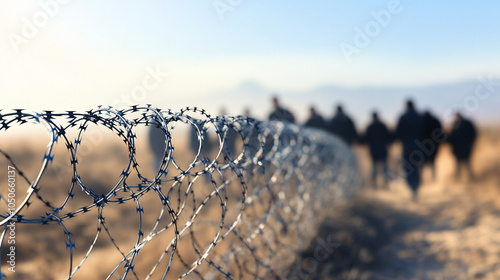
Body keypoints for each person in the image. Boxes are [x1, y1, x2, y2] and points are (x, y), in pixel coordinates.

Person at [395, 100, 424, 200]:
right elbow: (424, 131)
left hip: (406, 146)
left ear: (406, 106)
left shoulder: (403, 117)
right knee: (416, 167)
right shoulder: (419, 117)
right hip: (418, 146)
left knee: (408, 168)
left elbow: (398, 132)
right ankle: (415, 188)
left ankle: (412, 188)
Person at [362, 111, 392, 188]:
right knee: (385, 168)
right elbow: (388, 137)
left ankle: (374, 184)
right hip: (383, 149)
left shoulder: (370, 127)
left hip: (373, 150)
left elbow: (366, 139)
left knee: (374, 167)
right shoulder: (382, 126)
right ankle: (386, 184)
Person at [448, 112, 477, 180]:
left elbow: (473, 135)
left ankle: (469, 177)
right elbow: (452, 136)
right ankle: (459, 178)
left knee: (465, 163)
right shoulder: (458, 124)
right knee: (461, 164)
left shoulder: (462, 124)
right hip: (461, 148)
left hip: (464, 148)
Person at [421, 111, 444, 180]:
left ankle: (422, 179)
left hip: (423, 146)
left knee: (422, 163)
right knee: (432, 162)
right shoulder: (435, 121)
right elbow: (440, 133)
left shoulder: (421, 121)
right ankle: (433, 178)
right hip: (433, 145)